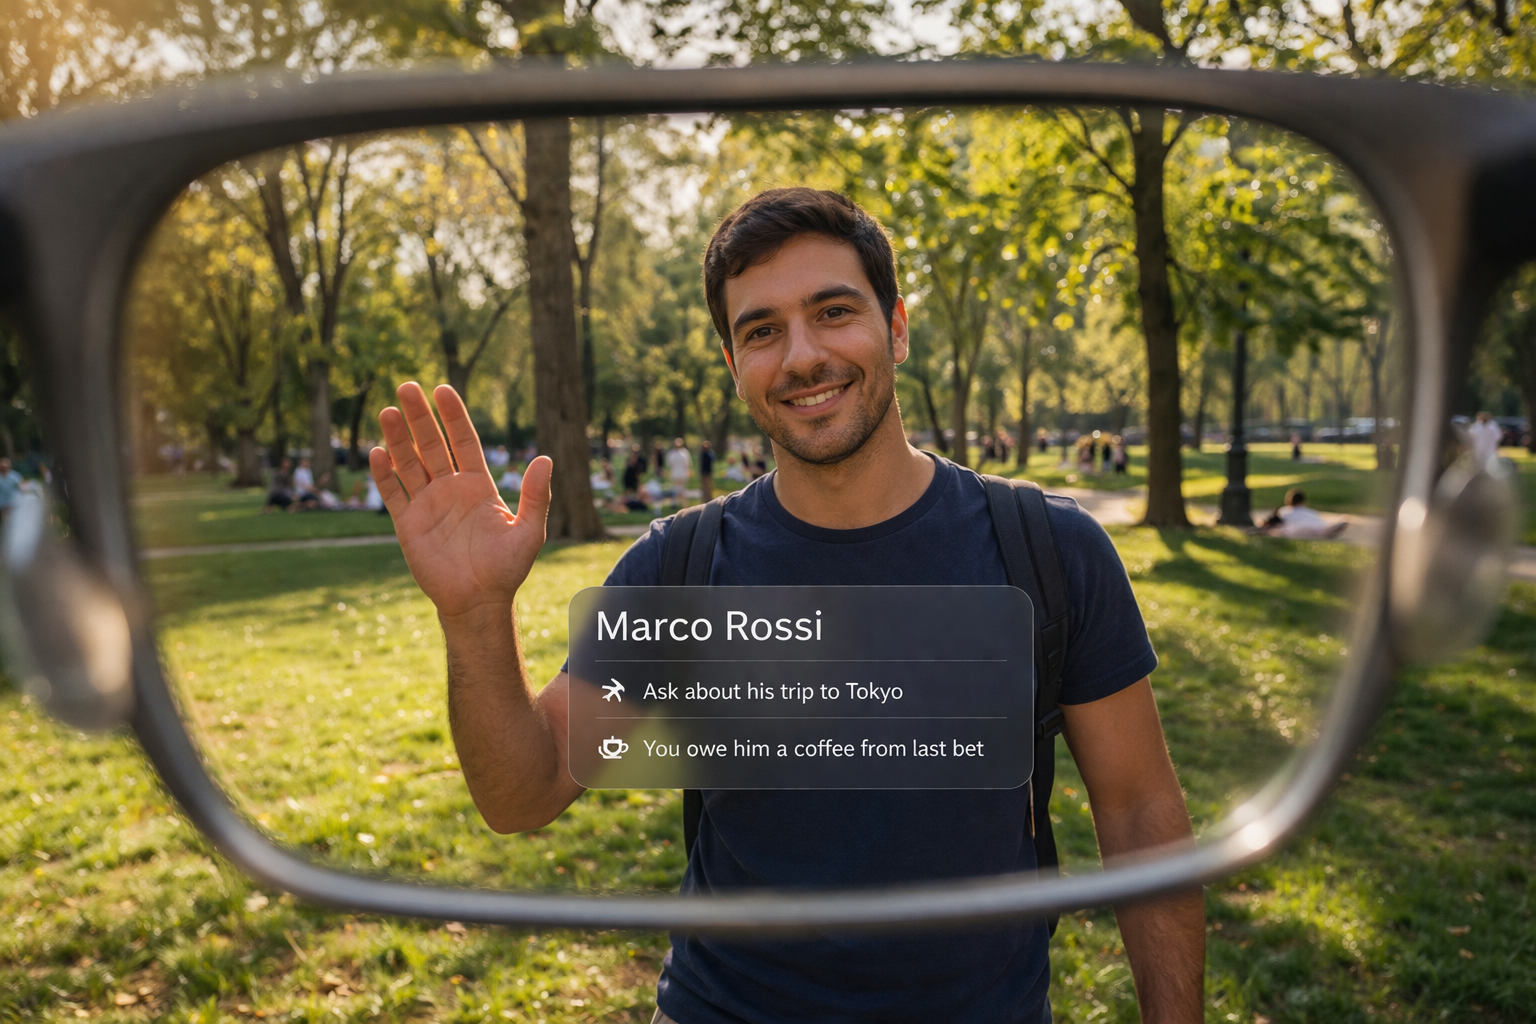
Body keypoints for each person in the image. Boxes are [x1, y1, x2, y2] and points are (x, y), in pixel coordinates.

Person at [368, 187, 1202, 1024]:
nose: (802, 356)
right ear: (735, 366)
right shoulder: (679, 570)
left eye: (834, 311)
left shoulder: (1051, 549)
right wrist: (474, 614)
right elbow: (526, 793)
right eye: (761, 330)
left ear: (897, 327)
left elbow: (1139, 812)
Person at [1261, 488, 1347, 539]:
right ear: (1303, 501)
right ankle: (1331, 528)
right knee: (1319, 527)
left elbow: (1272, 521)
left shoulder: (1284, 511)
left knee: (1288, 529)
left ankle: (1329, 529)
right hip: (1317, 525)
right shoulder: (1310, 511)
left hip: (1302, 528)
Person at [665, 437, 692, 508]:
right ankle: (674, 503)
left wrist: (688, 471)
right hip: (675, 474)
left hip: (682, 473)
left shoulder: (684, 452)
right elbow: (669, 464)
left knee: (683, 489)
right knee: (675, 489)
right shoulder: (671, 453)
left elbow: (687, 463)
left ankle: (684, 503)